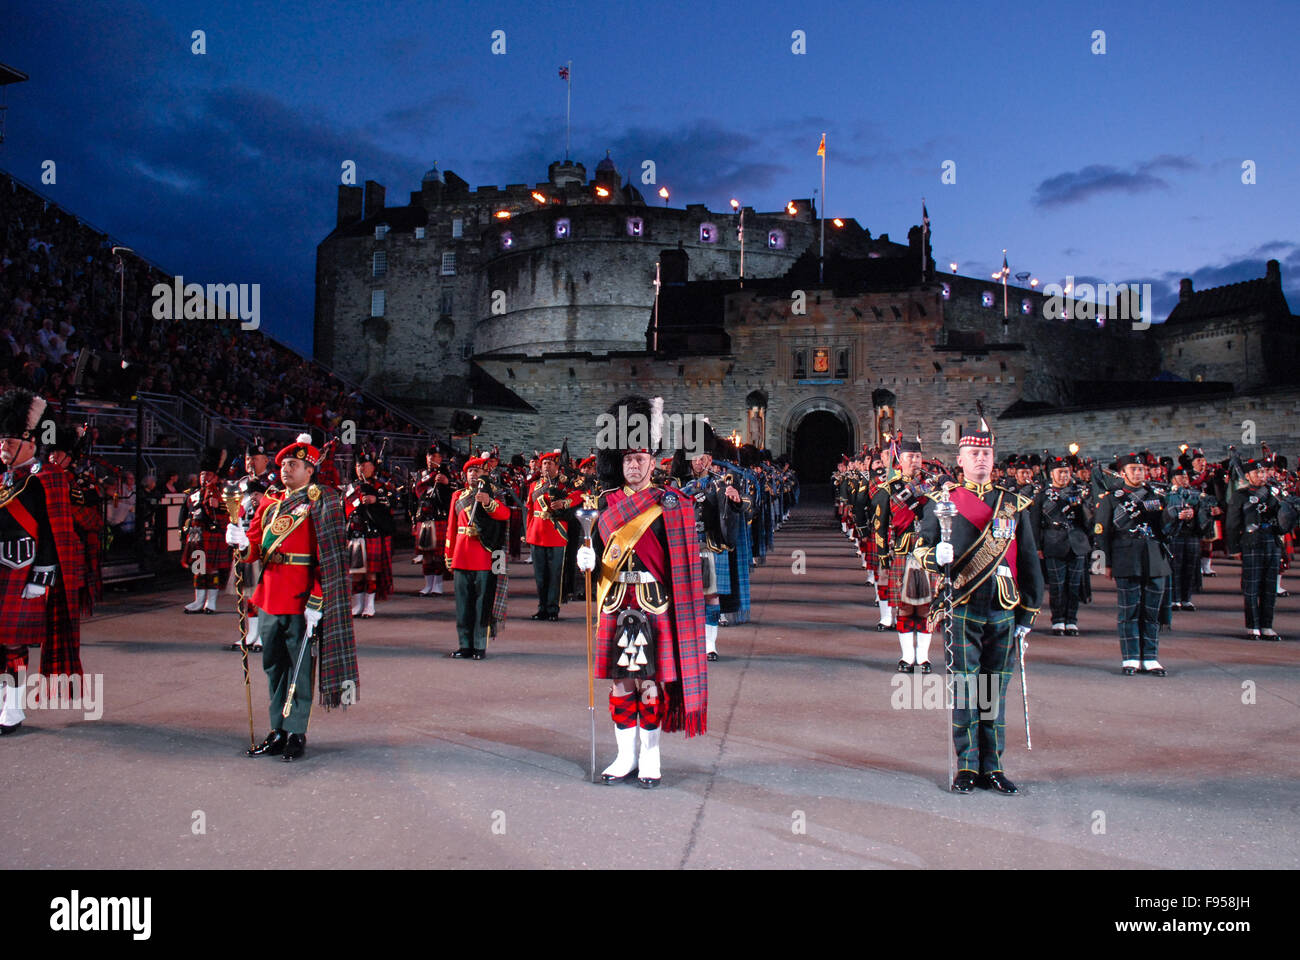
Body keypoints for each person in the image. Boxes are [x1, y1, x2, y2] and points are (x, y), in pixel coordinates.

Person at [576, 395, 707, 788]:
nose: (634, 465)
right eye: (628, 458)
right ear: (620, 462)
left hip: (655, 603)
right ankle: (624, 757)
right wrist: (584, 560)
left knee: (650, 684)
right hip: (615, 601)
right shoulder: (602, 504)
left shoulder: (671, 503)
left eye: (641, 458)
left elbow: (684, 563)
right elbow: (592, 557)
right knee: (621, 684)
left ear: (655, 461)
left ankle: (650, 757)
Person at [914, 415, 1042, 794]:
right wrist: (938, 555)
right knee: (966, 689)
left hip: (1003, 603)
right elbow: (920, 550)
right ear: (961, 459)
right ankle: (967, 766)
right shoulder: (943, 502)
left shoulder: (1012, 504)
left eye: (986, 452)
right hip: (961, 603)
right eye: (974, 453)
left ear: (993, 457)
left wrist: (1029, 611)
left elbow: (1030, 559)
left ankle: (994, 767)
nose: (981, 459)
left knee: (995, 690)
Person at [224, 433, 359, 762]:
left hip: (301, 598)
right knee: (274, 667)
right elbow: (255, 550)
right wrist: (240, 542)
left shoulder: (321, 502)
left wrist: (317, 599)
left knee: (299, 670)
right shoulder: (270, 503)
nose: (285, 469)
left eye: (294, 464)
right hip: (270, 595)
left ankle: (296, 731)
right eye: (283, 464)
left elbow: (328, 558)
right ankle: (277, 729)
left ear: (309, 470)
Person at [0, 389, 84, 735]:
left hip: (23, 569)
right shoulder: (5, 478)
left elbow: (54, 532)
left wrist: (43, 573)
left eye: (9, 441)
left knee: (12, 642)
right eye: (1, 440)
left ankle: (14, 706)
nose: (3, 447)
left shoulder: (45, 478)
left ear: (30, 442)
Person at [1093, 453, 1176, 675]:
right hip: (1125, 557)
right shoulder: (1112, 497)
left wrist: (1179, 516)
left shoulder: (1157, 496)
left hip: (1154, 558)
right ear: (1123, 473)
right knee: (1129, 611)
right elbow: (1102, 533)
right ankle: (1130, 657)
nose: (1138, 473)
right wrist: (1103, 564)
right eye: (1133, 469)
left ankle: (1150, 657)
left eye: (1141, 469)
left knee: (1151, 611)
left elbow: (1165, 530)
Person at [444, 456, 510, 659]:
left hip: (484, 554)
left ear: (485, 474)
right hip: (462, 554)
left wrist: (489, 502)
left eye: (478, 471)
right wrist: (449, 555)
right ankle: (464, 645)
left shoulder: (494, 493)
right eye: (470, 471)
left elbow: (505, 514)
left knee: (482, 603)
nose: (473, 474)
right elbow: (451, 527)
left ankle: (479, 645)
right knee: (463, 603)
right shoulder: (458, 496)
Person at [1225, 458, 1297, 640]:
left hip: (1271, 541)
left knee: (1270, 586)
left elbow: (1286, 517)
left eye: (1264, 472)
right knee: (1252, 586)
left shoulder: (1275, 493)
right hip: (1251, 542)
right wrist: (1234, 548)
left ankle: (1267, 625)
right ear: (1248, 476)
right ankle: (1252, 626)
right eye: (1257, 473)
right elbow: (1232, 524)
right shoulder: (1240, 495)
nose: (1261, 475)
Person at [1031, 456, 1094, 636]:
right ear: (1052, 474)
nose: (1064, 476)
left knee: (1074, 585)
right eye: (1060, 472)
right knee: (1057, 585)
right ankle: (1058, 620)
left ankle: (1072, 620)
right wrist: (1037, 547)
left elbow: (1088, 522)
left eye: (1067, 472)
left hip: (1077, 542)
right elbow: (1035, 523)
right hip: (1053, 542)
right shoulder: (1043, 495)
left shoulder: (1079, 492)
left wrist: (1081, 507)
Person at [525, 451, 582, 620]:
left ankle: (552, 609)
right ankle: (542, 607)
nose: (547, 466)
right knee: (540, 575)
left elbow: (579, 495)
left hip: (557, 533)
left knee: (556, 574)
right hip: (537, 533)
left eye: (551, 464)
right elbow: (529, 511)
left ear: (557, 467)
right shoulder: (533, 486)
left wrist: (565, 502)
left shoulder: (565, 485)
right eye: (544, 464)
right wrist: (528, 533)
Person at [343, 449, 395, 618]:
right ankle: (357, 605)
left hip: (373, 533)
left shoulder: (381, 486)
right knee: (356, 571)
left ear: (373, 467)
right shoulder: (351, 487)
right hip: (355, 533)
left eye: (365, 465)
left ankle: (369, 605)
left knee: (371, 571)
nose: (362, 468)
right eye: (359, 465)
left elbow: (392, 502)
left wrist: (375, 501)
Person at [181, 447, 232, 614]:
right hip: (197, 534)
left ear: (215, 476)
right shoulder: (193, 494)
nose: (204, 477)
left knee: (212, 569)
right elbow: (186, 514)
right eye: (202, 474)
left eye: (208, 474)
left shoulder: (222, 493)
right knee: (198, 567)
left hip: (213, 534)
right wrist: (184, 532)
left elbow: (230, 513)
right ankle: (198, 601)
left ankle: (211, 602)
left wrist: (219, 506)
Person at [1164, 466, 1212, 612]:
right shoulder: (1167, 494)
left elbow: (1205, 511)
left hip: (1191, 534)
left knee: (1190, 567)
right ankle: (1174, 598)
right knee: (1175, 567)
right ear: (1173, 480)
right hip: (1175, 534)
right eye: (1181, 477)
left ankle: (1186, 598)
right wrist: (1177, 516)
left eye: (1186, 477)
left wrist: (1194, 512)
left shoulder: (1195, 494)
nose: (1185, 480)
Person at [411, 444, 454, 596]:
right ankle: (428, 585)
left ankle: (438, 585)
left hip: (438, 517)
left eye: (435, 456)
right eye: (429, 456)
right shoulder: (420, 474)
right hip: (423, 517)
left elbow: (451, 496)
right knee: (426, 553)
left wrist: (446, 483)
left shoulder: (446, 473)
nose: (431, 459)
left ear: (440, 459)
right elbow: (414, 498)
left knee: (437, 554)